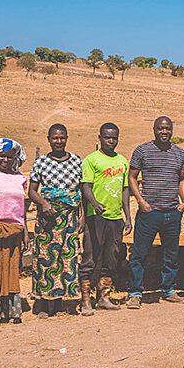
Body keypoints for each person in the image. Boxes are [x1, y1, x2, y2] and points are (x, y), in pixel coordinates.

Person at [127, 116, 184, 308]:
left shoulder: (179, 153)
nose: (164, 132)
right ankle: (135, 293)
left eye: (168, 129)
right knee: (139, 254)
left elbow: (181, 179)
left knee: (171, 254)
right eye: (161, 128)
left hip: (172, 212)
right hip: (149, 212)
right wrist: (141, 201)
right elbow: (132, 177)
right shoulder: (142, 150)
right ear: (154, 129)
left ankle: (168, 290)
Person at [28, 123, 83, 317]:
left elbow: (80, 191)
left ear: (66, 138)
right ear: (48, 139)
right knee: (45, 258)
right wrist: (43, 204)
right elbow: (32, 191)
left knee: (66, 258)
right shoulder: (41, 162)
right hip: (48, 218)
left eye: (62, 138)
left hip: (69, 217)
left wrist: (81, 215)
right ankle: (43, 303)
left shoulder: (76, 161)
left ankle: (58, 302)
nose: (58, 141)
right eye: (54, 138)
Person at [80, 123, 131, 314]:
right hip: (96, 218)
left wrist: (127, 217)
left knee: (112, 258)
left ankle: (103, 297)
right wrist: (94, 203)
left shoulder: (122, 161)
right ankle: (85, 300)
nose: (111, 141)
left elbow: (125, 190)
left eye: (114, 137)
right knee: (89, 258)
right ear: (100, 137)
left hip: (115, 217)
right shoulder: (91, 160)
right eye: (107, 137)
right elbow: (86, 186)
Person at [0, 138, 28, 324]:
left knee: (12, 271)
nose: (6, 160)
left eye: (10, 157)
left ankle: (12, 311)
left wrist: (25, 232)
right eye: (2, 156)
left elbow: (22, 208)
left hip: (15, 230)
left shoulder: (20, 178)